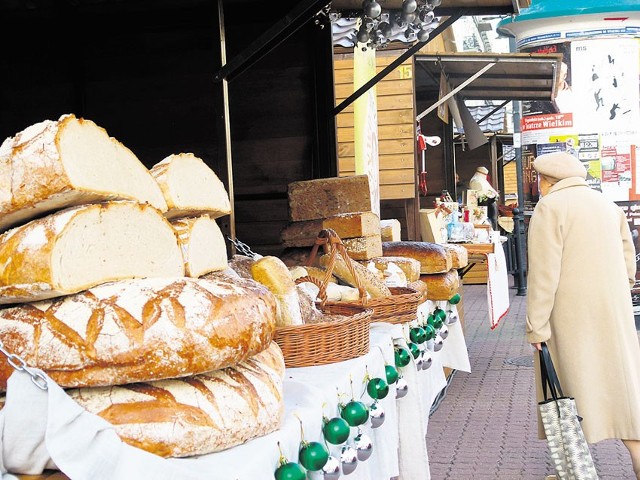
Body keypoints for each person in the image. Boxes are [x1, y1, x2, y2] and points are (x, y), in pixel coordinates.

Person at [526, 151, 640, 479]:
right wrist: (616, 289)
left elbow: (544, 274)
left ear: (545, 180)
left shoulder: (549, 208)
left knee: (567, 390)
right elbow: (627, 260)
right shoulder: (607, 205)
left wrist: (537, 326)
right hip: (613, 310)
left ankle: (572, 470)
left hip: (569, 315)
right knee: (620, 390)